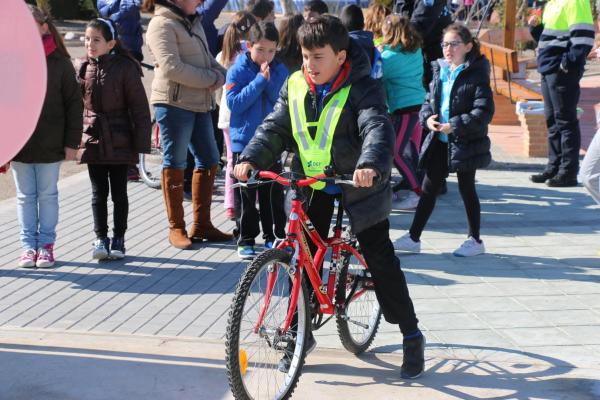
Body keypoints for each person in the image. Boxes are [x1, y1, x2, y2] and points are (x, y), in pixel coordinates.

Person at [234, 15, 425, 379]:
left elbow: (376, 128)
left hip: (360, 184)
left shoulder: (364, 87)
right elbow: (275, 126)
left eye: (318, 57)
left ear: (341, 56)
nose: (310, 65)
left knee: (379, 258)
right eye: (305, 56)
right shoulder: (294, 83)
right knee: (302, 259)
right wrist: (251, 158)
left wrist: (370, 164)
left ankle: (411, 334)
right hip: (312, 184)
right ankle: (298, 332)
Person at [395, 23, 494, 257]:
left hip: (464, 141)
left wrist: (456, 126)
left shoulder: (477, 73)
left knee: (467, 188)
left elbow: (483, 111)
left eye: (454, 44)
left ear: (468, 46)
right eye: (445, 44)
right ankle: (413, 237)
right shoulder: (440, 69)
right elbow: (429, 101)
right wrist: (428, 119)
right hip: (440, 139)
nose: (448, 49)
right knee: (429, 188)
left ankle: (475, 240)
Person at [145, 0, 232, 249]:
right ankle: (177, 227)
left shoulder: (193, 23)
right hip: (174, 103)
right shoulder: (161, 24)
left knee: (209, 159)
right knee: (175, 162)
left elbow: (207, 59)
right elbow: (172, 67)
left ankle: (202, 224)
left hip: (200, 103)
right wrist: (211, 79)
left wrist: (220, 73)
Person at [9, 5, 83, 268]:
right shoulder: (10, 60)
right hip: (20, 145)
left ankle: (46, 246)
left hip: (51, 142)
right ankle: (28, 246)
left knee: (48, 195)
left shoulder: (60, 63)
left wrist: (72, 143)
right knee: (25, 196)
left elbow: (75, 105)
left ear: (43, 27)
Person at [75, 18, 151, 260]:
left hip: (120, 138)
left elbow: (139, 107)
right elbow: (75, 106)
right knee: (98, 193)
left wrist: (141, 143)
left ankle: (119, 238)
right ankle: (100, 237)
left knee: (119, 192)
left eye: (96, 40)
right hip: (93, 137)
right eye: (87, 39)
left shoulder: (125, 68)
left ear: (111, 43)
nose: (90, 44)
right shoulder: (82, 68)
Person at [226, 21, 288, 259]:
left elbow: (281, 98)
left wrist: (269, 79)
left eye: (271, 51)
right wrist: (259, 81)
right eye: (260, 50)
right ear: (249, 45)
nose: (266, 56)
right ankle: (246, 238)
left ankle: (274, 236)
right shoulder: (237, 69)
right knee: (247, 194)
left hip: (271, 142)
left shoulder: (280, 69)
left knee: (272, 193)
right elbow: (235, 103)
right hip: (245, 142)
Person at [528, 0, 594, 187]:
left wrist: (567, 65)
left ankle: (568, 172)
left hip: (560, 71)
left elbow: (584, 38)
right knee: (552, 121)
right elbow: (551, 39)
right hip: (548, 67)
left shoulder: (576, 2)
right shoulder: (552, 3)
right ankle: (554, 167)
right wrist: (535, 28)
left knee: (565, 121)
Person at [380, 14, 426, 210]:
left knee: (396, 152)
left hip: (402, 107)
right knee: (405, 149)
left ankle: (417, 192)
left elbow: (380, 74)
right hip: (414, 104)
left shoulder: (388, 58)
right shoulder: (415, 51)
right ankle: (407, 184)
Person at [216, 11, 256, 221]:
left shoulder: (222, 55)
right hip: (246, 115)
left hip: (226, 116)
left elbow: (217, 91)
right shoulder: (249, 55)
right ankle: (248, 200)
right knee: (251, 158)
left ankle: (230, 204)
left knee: (232, 160)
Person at [394, 0, 453, 87]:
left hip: (434, 55)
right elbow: (402, 13)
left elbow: (418, 26)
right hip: (419, 53)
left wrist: (393, 34)